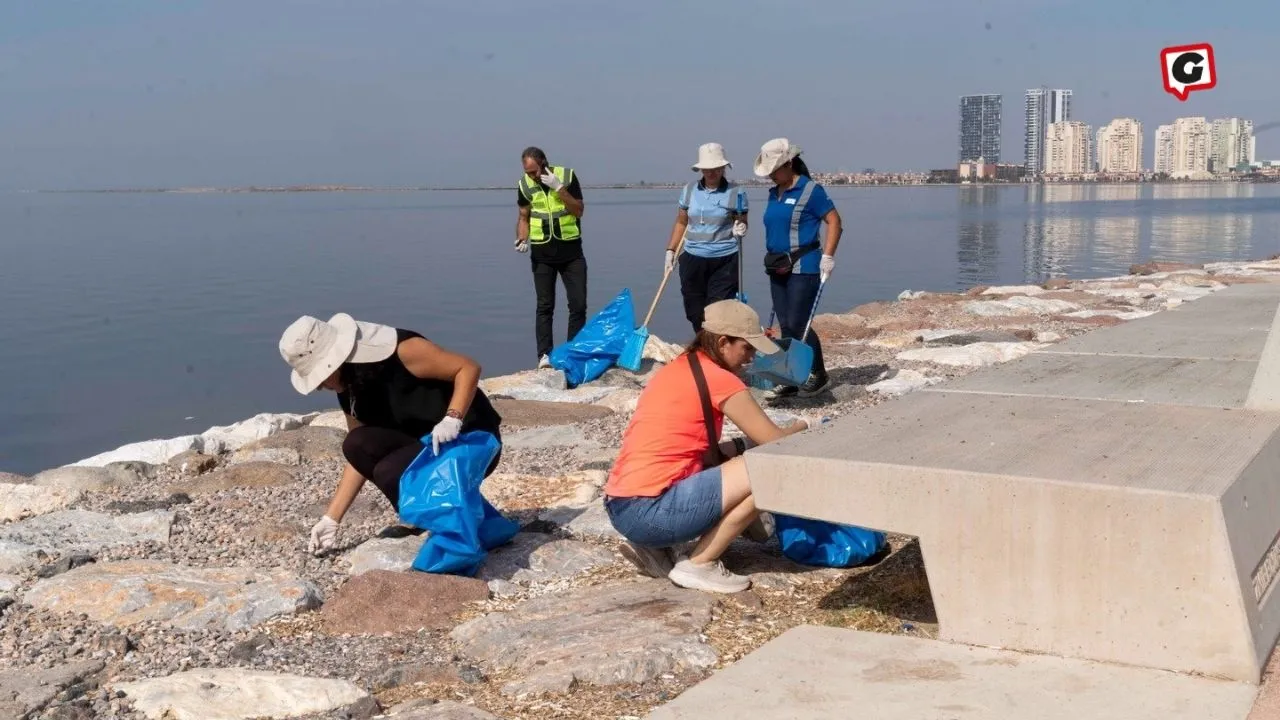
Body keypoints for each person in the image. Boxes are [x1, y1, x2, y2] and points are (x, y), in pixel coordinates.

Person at [603, 300, 825, 594]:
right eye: (747, 347)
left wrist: (741, 445)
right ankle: (700, 564)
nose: (752, 356)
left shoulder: (679, 368)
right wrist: (806, 426)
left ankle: (658, 548)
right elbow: (775, 444)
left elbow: (701, 448)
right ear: (723, 343)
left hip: (621, 507)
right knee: (769, 467)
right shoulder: (720, 380)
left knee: (746, 474)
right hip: (650, 512)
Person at [278, 313, 504, 555]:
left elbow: (468, 367)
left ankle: (455, 530)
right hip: (425, 446)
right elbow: (359, 458)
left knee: (390, 471)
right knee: (356, 444)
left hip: (470, 438)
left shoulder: (402, 351)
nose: (320, 386)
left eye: (321, 377)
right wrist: (331, 518)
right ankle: (444, 515)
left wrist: (452, 418)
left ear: (336, 359)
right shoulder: (349, 384)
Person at [754, 137, 843, 399]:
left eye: (774, 169)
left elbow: (834, 221)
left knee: (798, 321)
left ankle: (819, 374)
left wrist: (829, 255)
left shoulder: (810, 190)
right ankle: (792, 377)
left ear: (789, 164)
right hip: (777, 265)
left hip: (805, 265)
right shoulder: (775, 193)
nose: (771, 175)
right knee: (785, 325)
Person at [515, 146, 587, 368]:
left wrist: (559, 188)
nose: (532, 177)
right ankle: (544, 356)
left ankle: (572, 352)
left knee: (578, 304)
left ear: (544, 163)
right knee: (544, 306)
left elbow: (579, 210)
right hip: (542, 254)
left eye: (535, 172)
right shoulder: (524, 185)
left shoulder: (566, 176)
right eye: (528, 173)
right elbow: (523, 216)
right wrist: (521, 238)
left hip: (571, 252)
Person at [665, 143, 749, 333]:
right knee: (694, 311)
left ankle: (715, 350)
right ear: (701, 169)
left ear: (723, 168)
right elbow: (681, 222)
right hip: (693, 257)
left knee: (718, 311)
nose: (711, 173)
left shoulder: (737, 192)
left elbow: (742, 221)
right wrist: (670, 251)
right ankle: (703, 343)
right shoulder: (689, 190)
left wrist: (741, 226)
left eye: (716, 168)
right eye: (707, 169)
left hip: (725, 259)